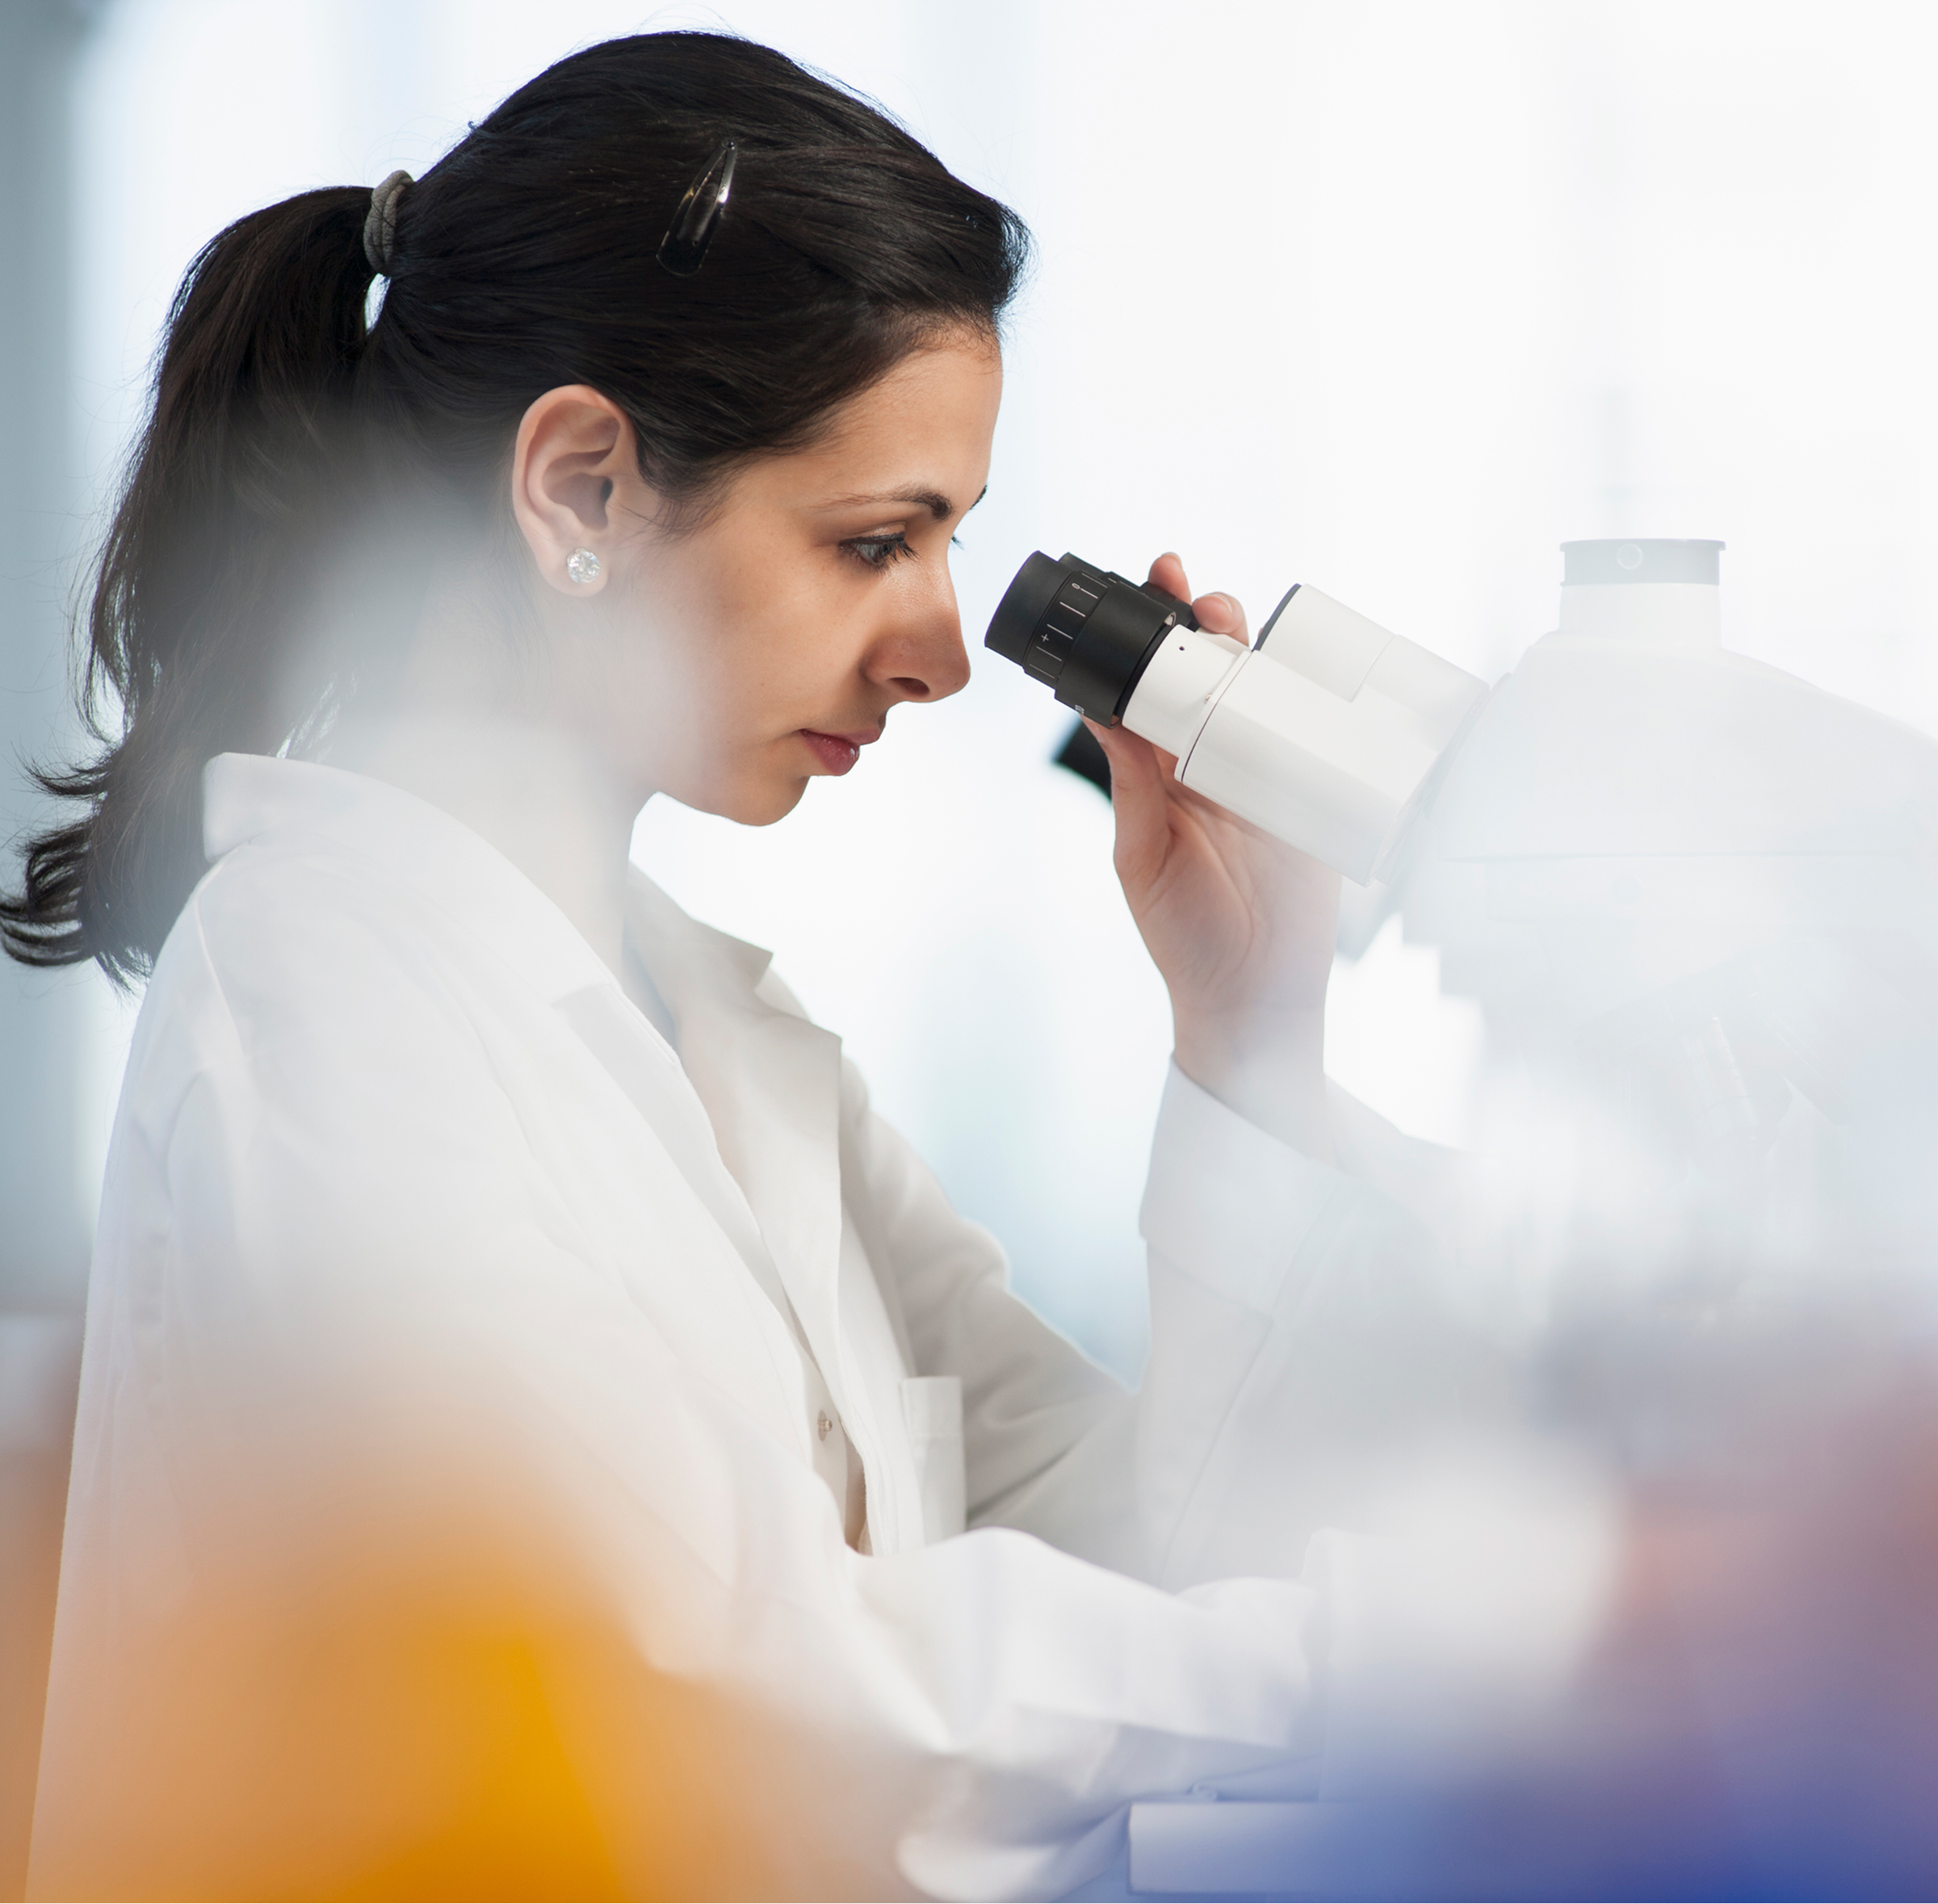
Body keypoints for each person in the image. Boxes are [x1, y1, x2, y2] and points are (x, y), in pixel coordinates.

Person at [3, 32, 1492, 1900]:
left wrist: (1248, 1034)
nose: (945, 652)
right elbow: (709, 1693)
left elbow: (1144, 1561)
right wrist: (1434, 1658)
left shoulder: (701, 1023)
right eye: (879, 540)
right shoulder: (326, 1011)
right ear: (581, 491)